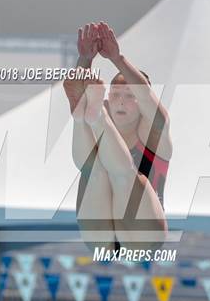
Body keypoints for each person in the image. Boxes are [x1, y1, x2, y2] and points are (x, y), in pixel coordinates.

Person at [63, 22, 172, 253]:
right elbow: (80, 86)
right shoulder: (103, 117)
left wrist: (117, 58)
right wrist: (85, 60)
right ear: (106, 99)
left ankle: (92, 116)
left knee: (125, 175)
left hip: (141, 232)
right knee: (93, 169)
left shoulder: (152, 133)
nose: (120, 100)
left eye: (130, 95)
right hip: (100, 232)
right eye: (115, 94)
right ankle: (83, 114)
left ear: (143, 105)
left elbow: (155, 111)